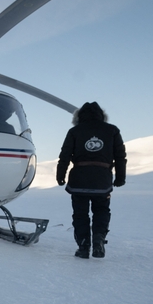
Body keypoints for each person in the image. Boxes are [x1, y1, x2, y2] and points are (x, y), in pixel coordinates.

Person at [56, 101, 127, 259]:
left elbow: (65, 155)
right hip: (102, 180)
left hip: (78, 180)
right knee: (101, 211)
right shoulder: (112, 130)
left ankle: (83, 246)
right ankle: (98, 240)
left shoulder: (74, 131)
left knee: (80, 214)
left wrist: (60, 175)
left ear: (79, 117)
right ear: (102, 116)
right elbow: (120, 156)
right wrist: (120, 177)